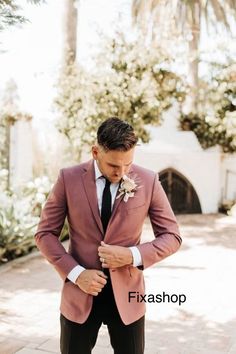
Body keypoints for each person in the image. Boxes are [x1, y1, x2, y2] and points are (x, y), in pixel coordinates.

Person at [35, 117, 182, 354]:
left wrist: (131, 255)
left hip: (129, 298)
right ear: (95, 152)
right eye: (114, 165)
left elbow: (172, 236)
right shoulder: (68, 178)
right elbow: (45, 234)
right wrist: (76, 273)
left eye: (128, 164)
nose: (122, 172)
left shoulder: (148, 180)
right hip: (79, 293)